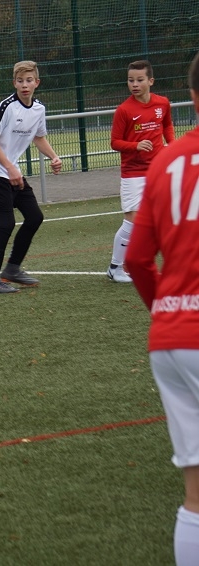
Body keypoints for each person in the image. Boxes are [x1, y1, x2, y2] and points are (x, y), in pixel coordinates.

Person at [124, 51, 199, 566]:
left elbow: (136, 259)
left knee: (195, 493)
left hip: (170, 337)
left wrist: (165, 310)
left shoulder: (167, 163)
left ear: (191, 98)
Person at [0, 60, 63, 294]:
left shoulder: (39, 109)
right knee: (6, 224)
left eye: (29, 80)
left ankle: (12, 269)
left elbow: (39, 137)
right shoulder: (7, 107)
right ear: (14, 83)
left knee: (34, 217)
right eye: (20, 81)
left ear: (37, 83)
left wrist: (54, 157)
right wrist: (9, 168)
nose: (24, 85)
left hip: (12, 172)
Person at [107, 60, 176, 283]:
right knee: (132, 222)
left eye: (139, 80)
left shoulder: (162, 103)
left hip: (158, 170)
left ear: (150, 81)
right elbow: (115, 142)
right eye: (130, 80)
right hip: (133, 173)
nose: (134, 84)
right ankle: (115, 268)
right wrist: (135, 145)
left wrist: (172, 144)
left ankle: (148, 263)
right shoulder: (124, 110)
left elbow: (166, 125)